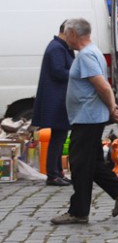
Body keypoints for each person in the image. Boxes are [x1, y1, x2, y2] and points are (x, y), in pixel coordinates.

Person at [51, 19, 118, 225]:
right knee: (92, 163)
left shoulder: (87, 55)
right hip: (88, 117)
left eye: (65, 34)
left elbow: (103, 87)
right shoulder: (92, 51)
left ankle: (78, 211)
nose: (64, 38)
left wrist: (112, 108)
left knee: (79, 165)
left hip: (87, 118)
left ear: (72, 34)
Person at [32, 21, 75, 186]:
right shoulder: (57, 48)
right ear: (66, 32)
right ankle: (53, 174)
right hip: (57, 99)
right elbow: (58, 72)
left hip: (58, 98)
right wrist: (77, 70)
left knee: (60, 136)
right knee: (58, 137)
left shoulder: (60, 47)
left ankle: (57, 172)